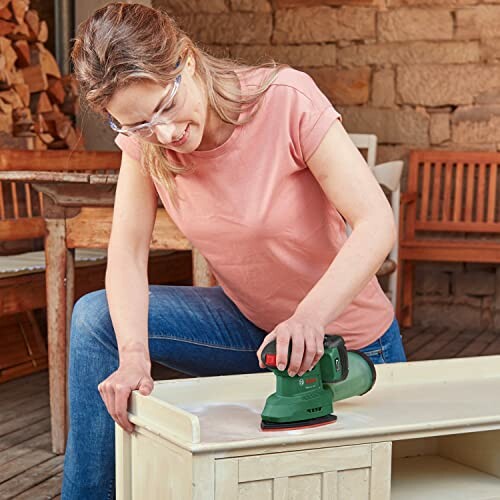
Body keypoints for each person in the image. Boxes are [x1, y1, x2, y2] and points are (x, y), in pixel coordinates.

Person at [62, 2, 407, 498]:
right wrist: (134, 355)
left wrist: (309, 317)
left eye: (164, 107)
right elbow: (128, 252)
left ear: (186, 59)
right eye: (136, 125)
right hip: (254, 331)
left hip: (345, 344)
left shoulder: (285, 99)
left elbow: (375, 222)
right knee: (96, 319)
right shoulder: (147, 142)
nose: (164, 135)